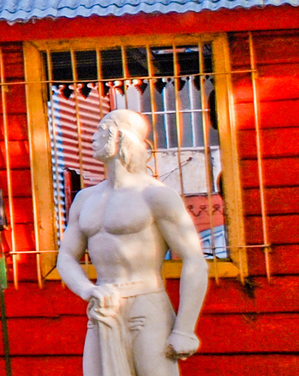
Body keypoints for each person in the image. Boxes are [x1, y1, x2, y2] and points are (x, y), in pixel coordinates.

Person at [57, 109, 208, 376]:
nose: (92, 136)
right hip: (103, 306)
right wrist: (86, 290)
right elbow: (66, 256)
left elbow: (194, 259)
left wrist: (184, 329)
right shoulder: (85, 199)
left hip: (146, 305)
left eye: (101, 129)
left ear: (120, 136)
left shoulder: (155, 195)